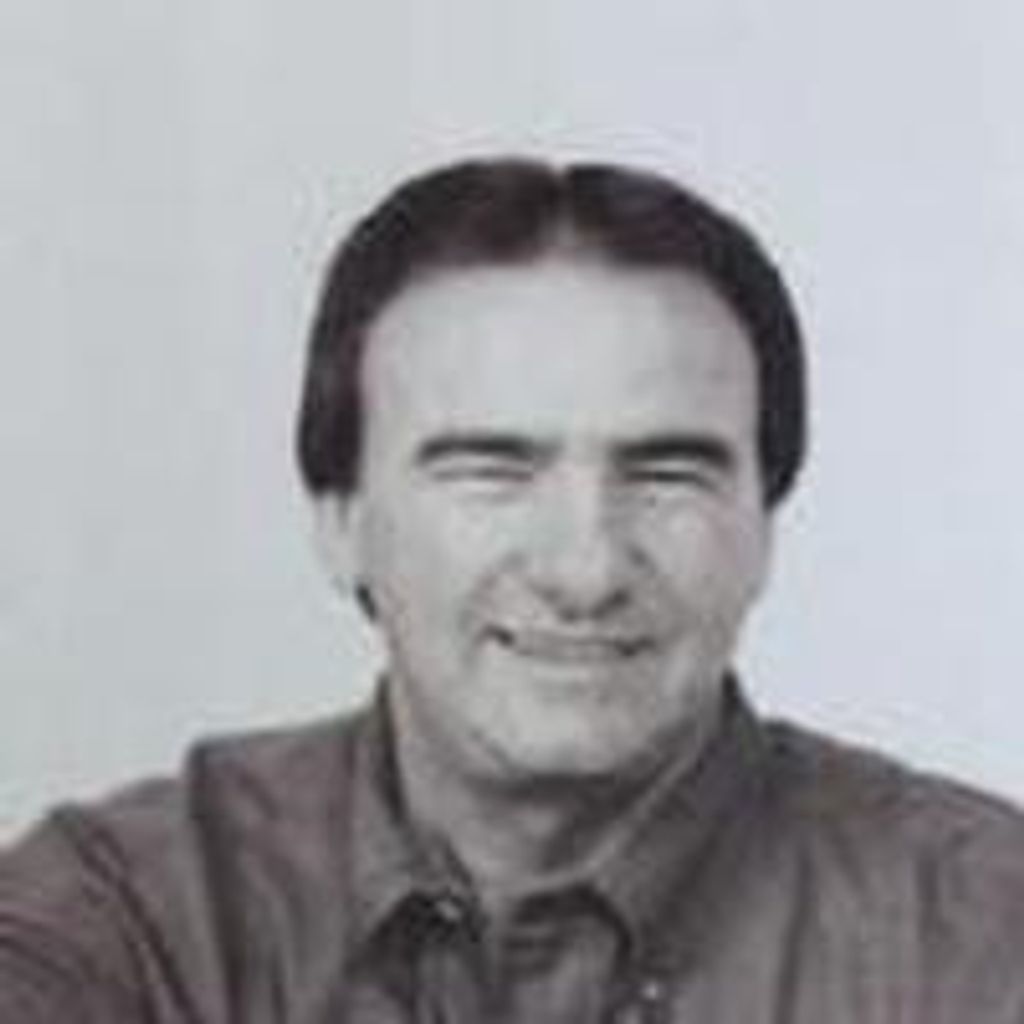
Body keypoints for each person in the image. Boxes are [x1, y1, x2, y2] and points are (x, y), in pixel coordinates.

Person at [2, 157, 1022, 1024]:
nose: (585, 570)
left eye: (667, 473)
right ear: (341, 523)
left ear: (763, 528)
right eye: (489, 469)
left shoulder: (983, 933)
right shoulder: (129, 916)